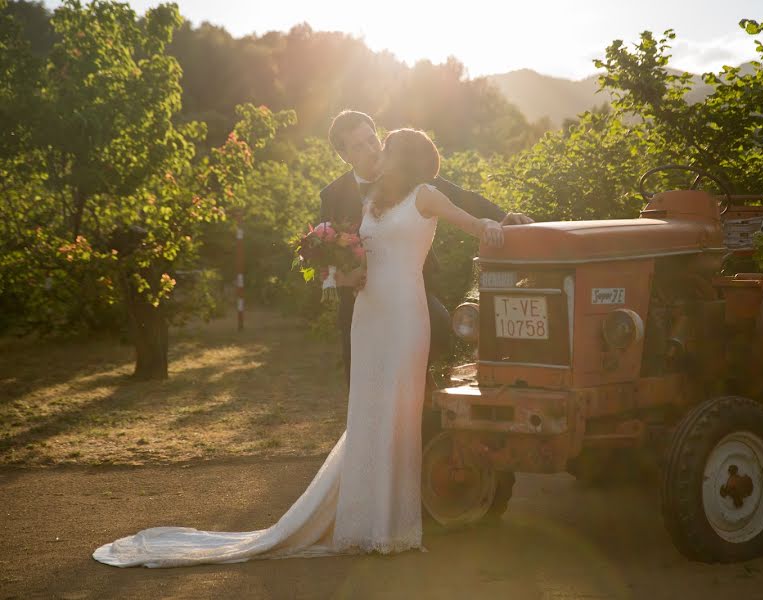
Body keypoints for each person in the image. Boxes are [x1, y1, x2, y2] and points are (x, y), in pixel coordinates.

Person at [92, 129, 505, 567]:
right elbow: (356, 260)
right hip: (368, 316)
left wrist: (495, 224)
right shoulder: (371, 204)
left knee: (398, 414)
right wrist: (343, 277)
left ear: (400, 158)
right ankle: (363, 523)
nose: (375, 155)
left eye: (383, 148)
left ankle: (392, 528)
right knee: (367, 412)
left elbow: (472, 222)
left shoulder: (425, 195)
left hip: (405, 316)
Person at [319, 110, 533, 384]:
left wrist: (504, 218)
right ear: (343, 154)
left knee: (440, 329)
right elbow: (324, 256)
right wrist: (345, 277)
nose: (371, 150)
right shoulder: (333, 196)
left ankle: (427, 399)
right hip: (360, 299)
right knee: (362, 381)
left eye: (372, 140)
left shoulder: (409, 173)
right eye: (358, 146)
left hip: (411, 287)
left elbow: (462, 199)